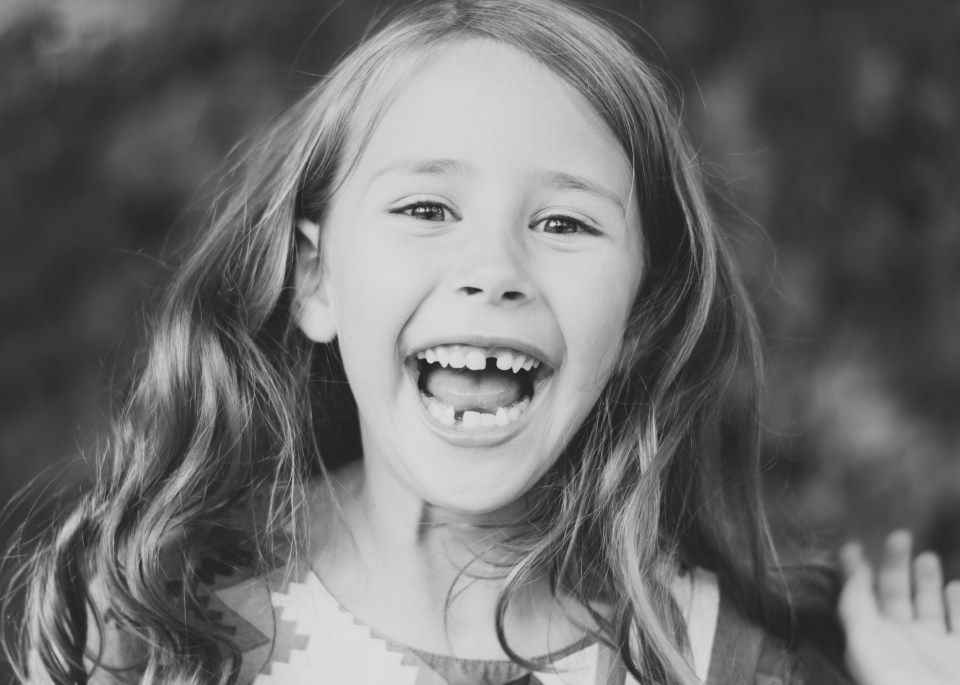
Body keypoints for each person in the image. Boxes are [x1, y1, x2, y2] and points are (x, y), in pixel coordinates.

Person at [3, 1, 957, 683]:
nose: (494, 267)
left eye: (565, 223)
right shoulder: (154, 619)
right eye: (426, 207)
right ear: (316, 279)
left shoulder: (719, 661)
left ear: (641, 316)